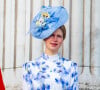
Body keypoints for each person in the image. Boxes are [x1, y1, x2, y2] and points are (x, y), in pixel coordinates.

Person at [22, 6, 79, 90]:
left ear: (62, 40)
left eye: (59, 36)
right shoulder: (29, 67)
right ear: (44, 37)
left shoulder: (71, 67)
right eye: (51, 35)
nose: (55, 39)